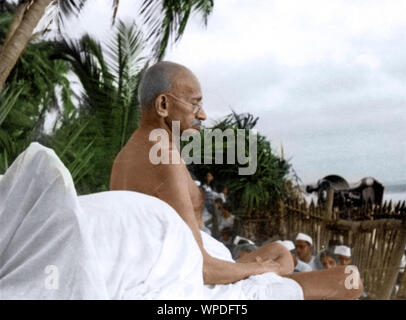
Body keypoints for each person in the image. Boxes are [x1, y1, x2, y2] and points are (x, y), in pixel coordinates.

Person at [109, 61, 363, 299]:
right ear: (163, 104)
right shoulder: (165, 159)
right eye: (195, 104)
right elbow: (200, 267)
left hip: (185, 264)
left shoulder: (125, 156)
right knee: (351, 279)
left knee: (281, 251)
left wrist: (262, 265)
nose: (203, 114)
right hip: (195, 279)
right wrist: (258, 270)